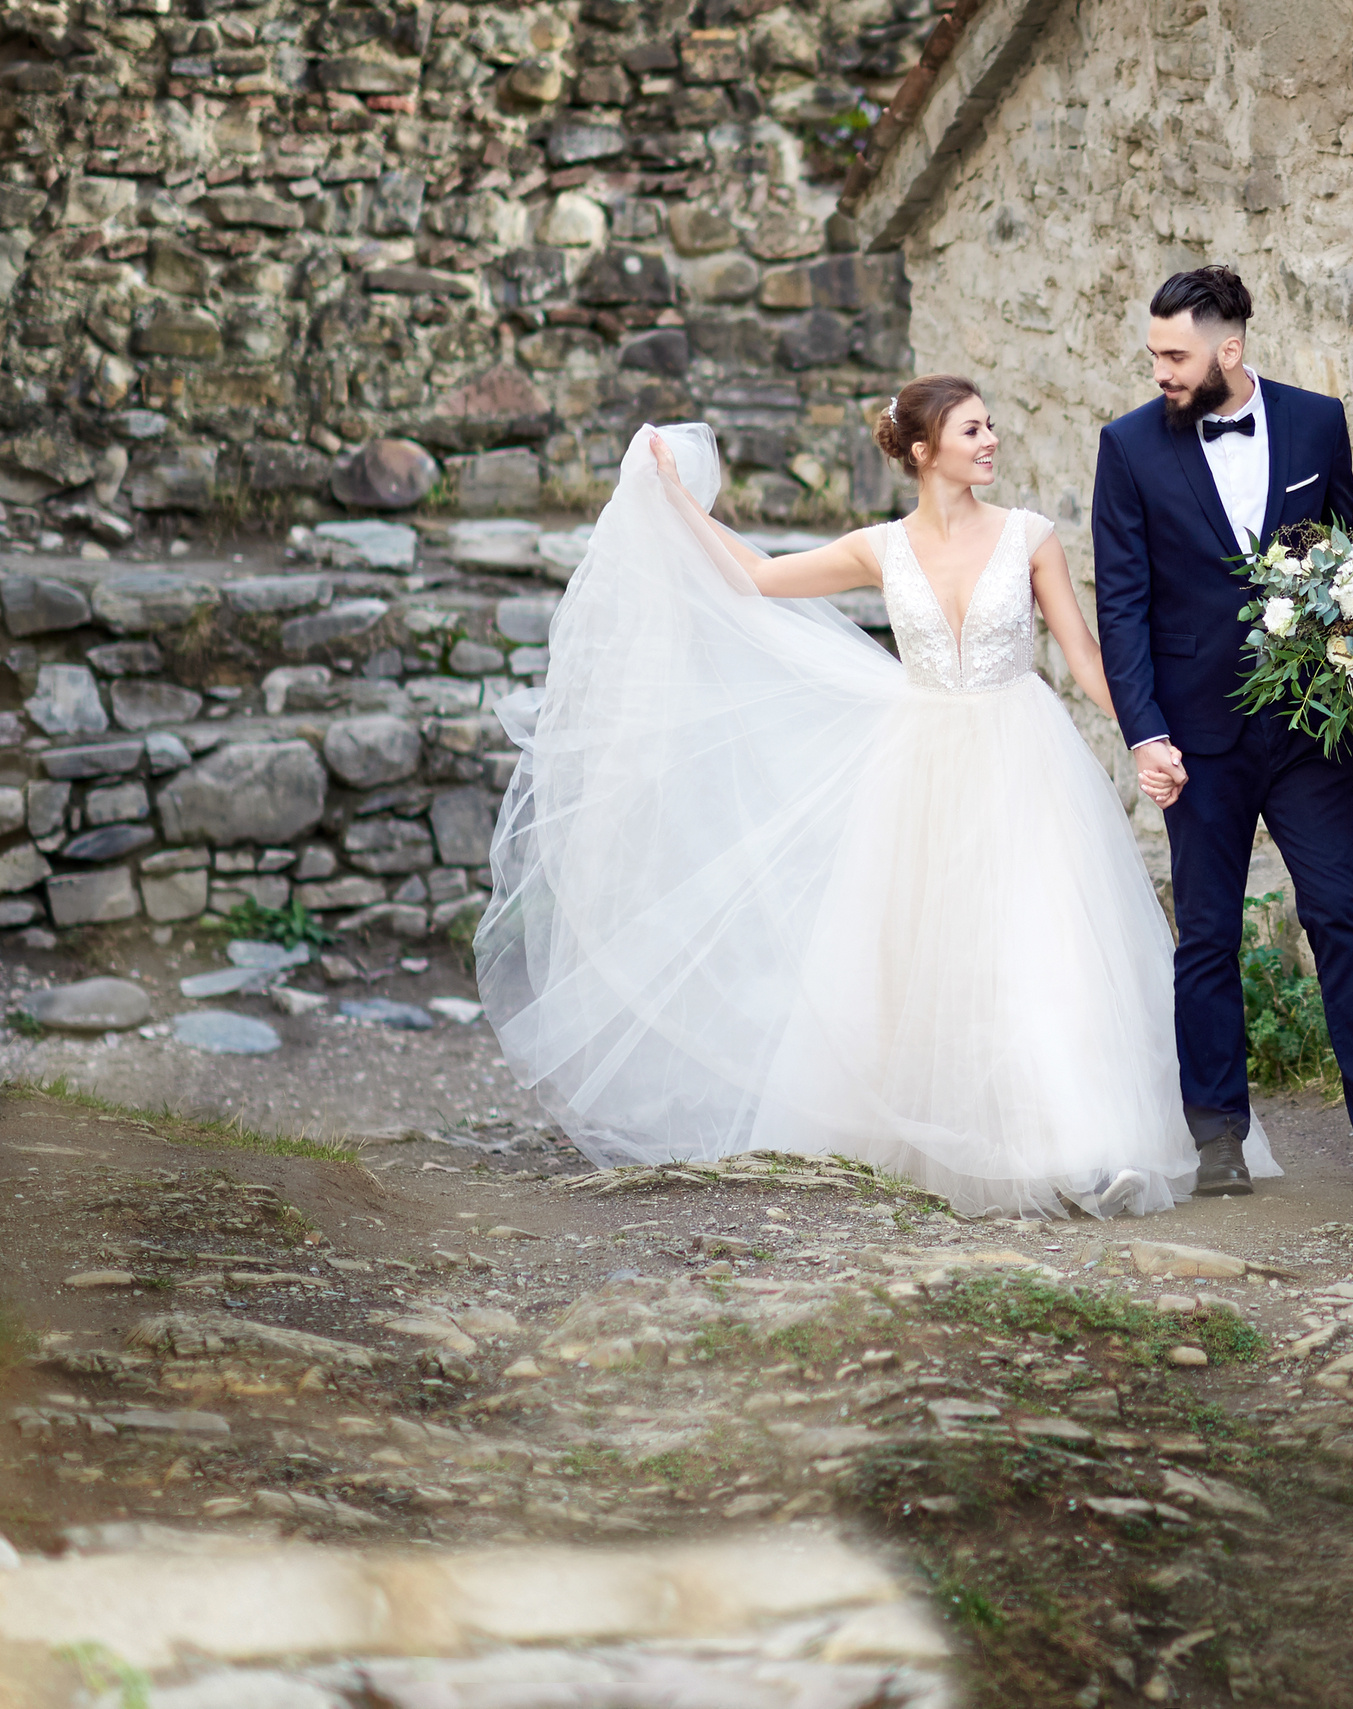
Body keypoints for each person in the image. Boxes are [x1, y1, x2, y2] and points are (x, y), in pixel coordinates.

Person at [475, 378, 1277, 1217]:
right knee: (925, 955)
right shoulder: (879, 547)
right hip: (922, 768)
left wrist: (1149, 736)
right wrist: (675, 499)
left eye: (992, 426)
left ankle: (1079, 1147)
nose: (992, 440)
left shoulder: (1031, 538)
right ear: (925, 451)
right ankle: (943, 1135)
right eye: (974, 430)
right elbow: (758, 578)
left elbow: (1083, 657)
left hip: (1024, 756)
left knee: (1043, 943)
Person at [1090, 265, 1353, 1196]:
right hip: (1196, 742)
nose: (1159, 368)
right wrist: (1144, 733)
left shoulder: (1318, 422)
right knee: (1205, 935)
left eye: (1176, 353)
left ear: (1228, 350)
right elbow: (1120, 607)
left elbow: (1347, 549)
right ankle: (1216, 1141)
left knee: (1340, 912)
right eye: (1155, 351)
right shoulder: (1125, 449)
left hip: (1306, 732)